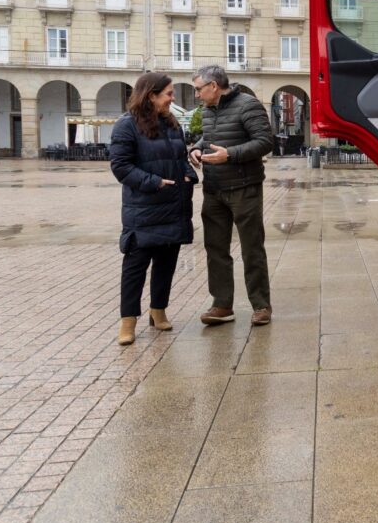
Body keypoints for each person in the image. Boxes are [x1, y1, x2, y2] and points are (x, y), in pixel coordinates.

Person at [109, 73, 198, 345]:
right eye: (168, 93)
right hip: (143, 209)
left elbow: (180, 158)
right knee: (135, 268)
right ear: (151, 95)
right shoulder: (126, 125)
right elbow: (121, 166)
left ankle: (158, 310)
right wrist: (154, 182)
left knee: (166, 264)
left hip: (173, 205)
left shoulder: (172, 124)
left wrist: (188, 175)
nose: (173, 98)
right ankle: (128, 321)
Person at [189, 65, 274, 326]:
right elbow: (210, 137)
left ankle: (261, 305)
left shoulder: (248, 105)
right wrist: (196, 148)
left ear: (214, 86)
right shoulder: (207, 109)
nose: (196, 95)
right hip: (213, 189)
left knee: (252, 248)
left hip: (244, 188)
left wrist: (230, 154)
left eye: (198, 89)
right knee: (215, 248)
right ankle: (222, 305)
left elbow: (265, 141)